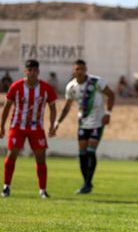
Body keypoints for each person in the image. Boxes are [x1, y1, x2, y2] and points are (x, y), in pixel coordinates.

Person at [53, 60, 116, 194]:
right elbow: (67, 107)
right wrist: (57, 122)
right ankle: (86, 182)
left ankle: (87, 183)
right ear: (73, 71)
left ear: (86, 69)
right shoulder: (71, 87)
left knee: (90, 151)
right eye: (77, 69)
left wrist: (108, 113)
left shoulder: (96, 82)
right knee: (82, 154)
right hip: (83, 122)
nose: (80, 71)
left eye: (82, 69)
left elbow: (111, 94)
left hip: (98, 122)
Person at [0, 60, 58, 198]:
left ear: (38, 72)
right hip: (17, 126)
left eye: (35, 70)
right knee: (12, 155)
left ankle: (42, 190)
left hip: (36, 127)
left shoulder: (46, 88)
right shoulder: (16, 86)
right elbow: (7, 107)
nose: (33, 73)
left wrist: (52, 125)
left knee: (40, 158)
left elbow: (53, 107)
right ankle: (6, 187)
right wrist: (1, 126)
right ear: (26, 71)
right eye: (30, 70)